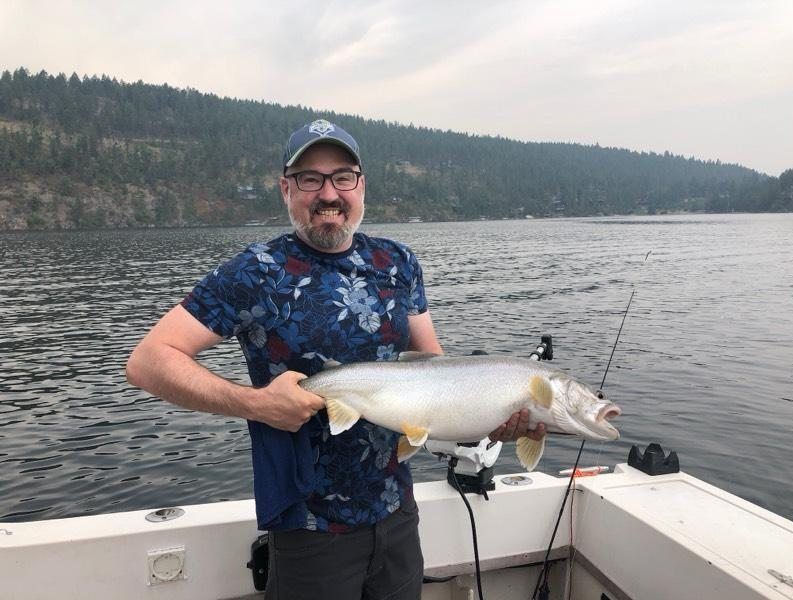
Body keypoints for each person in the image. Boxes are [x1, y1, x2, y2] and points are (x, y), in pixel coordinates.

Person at [126, 119, 545, 600]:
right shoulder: (254, 272)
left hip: (396, 512)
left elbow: (434, 367)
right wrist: (256, 403)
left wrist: (493, 415)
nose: (329, 193)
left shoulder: (398, 263)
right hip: (308, 526)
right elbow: (149, 361)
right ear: (286, 188)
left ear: (361, 186)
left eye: (342, 176)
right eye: (310, 179)